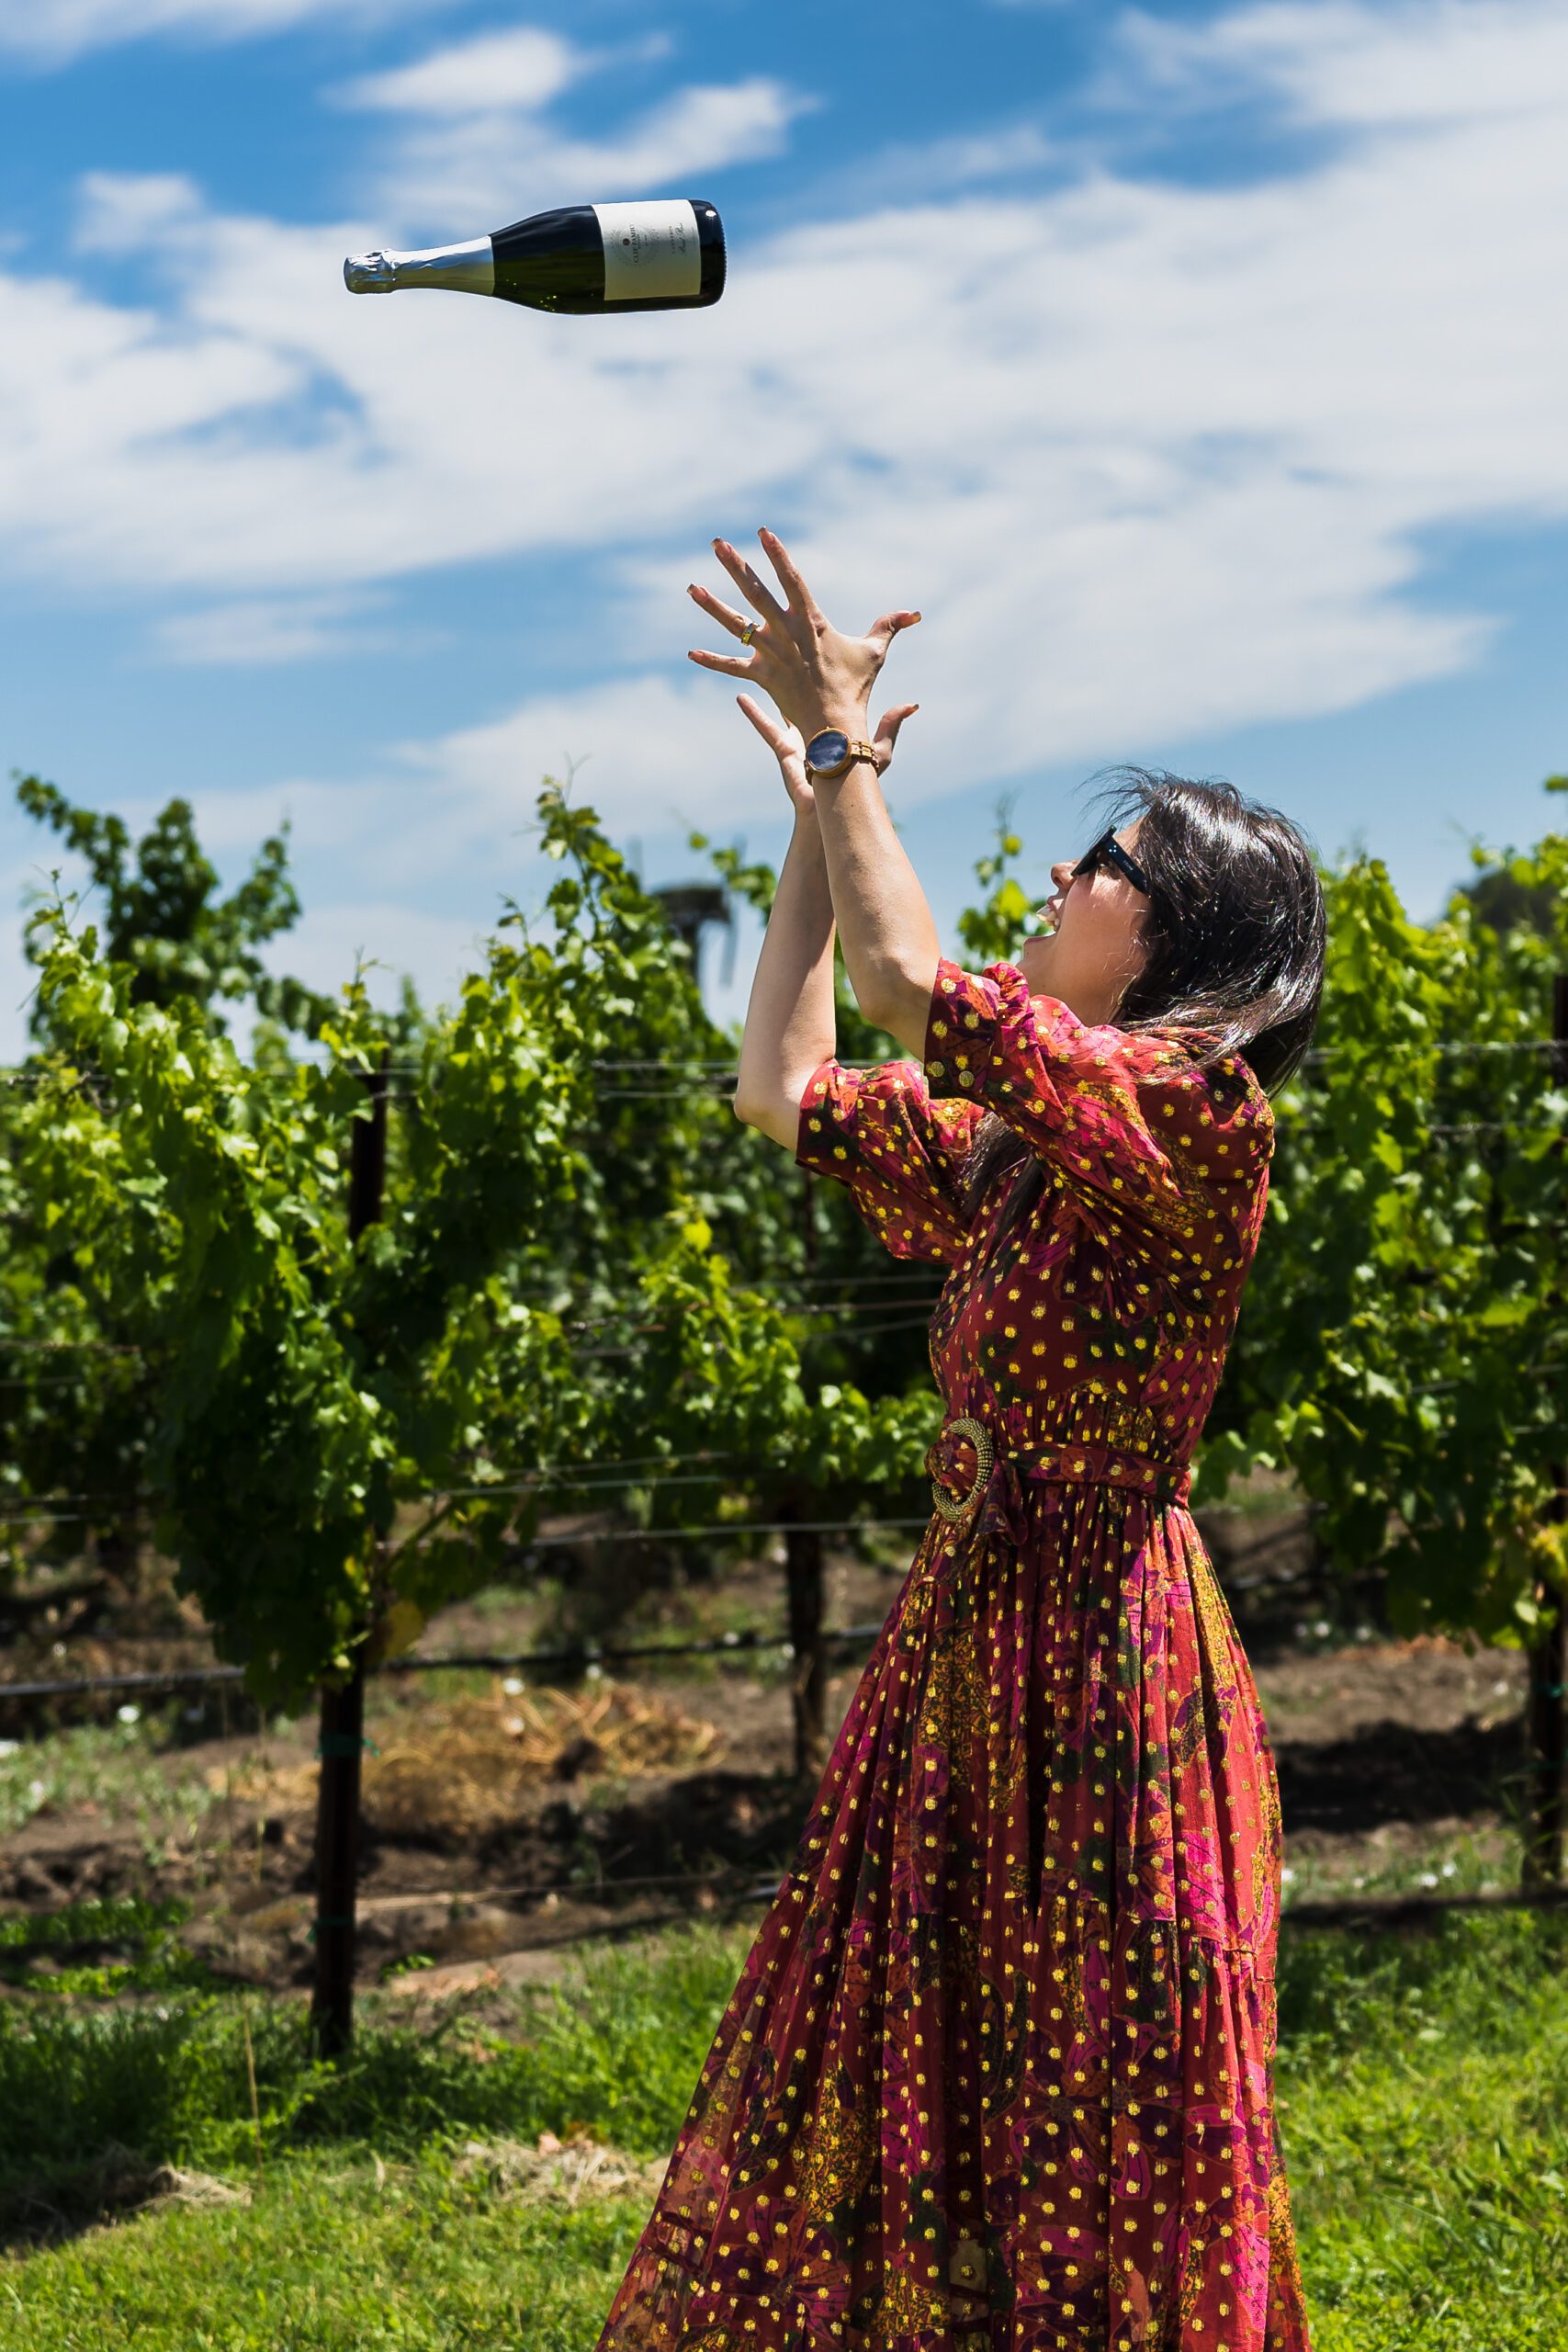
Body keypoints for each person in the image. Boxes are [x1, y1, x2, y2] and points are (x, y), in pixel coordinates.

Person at [596, 529, 1325, 2352]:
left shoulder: (1196, 1119)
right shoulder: (1017, 1151)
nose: (1063, 876)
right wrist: (805, 815)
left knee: (1085, 2100)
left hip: (1092, 1672)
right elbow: (782, 1083)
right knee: (936, 2070)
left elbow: (919, 982)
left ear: (1166, 939)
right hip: (967, 1651)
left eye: (1102, 864)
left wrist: (845, 744)